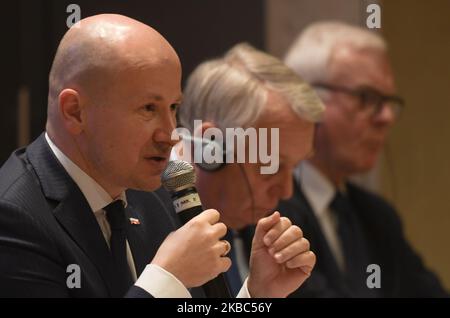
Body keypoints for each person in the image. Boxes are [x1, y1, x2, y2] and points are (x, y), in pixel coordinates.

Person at [0, 14, 315, 298]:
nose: (170, 133)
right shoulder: (12, 218)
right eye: (148, 108)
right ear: (75, 112)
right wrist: (167, 278)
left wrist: (258, 295)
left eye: (173, 108)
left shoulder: (151, 197)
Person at [277, 21, 448, 297]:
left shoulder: (378, 216)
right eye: (367, 97)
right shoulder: (267, 208)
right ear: (306, 100)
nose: (387, 118)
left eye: (388, 102)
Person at [174, 43, 324, 296]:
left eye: (295, 167)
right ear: (210, 148)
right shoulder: (139, 223)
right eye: (270, 165)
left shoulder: (281, 230)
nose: (286, 191)